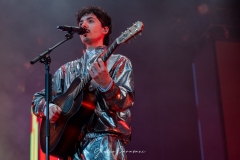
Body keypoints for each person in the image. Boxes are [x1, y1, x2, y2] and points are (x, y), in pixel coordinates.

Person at [32, 5, 134, 160]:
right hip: (69, 147)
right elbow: (38, 98)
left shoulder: (118, 62)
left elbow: (125, 103)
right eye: (80, 23)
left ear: (105, 30)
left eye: (90, 21)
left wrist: (107, 85)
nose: (84, 25)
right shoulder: (66, 70)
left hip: (105, 145)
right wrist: (48, 108)